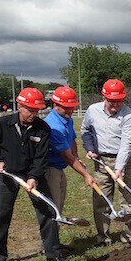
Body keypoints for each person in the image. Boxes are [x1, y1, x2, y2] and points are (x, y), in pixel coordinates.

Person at [0, 88, 63, 261]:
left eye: (37, 110)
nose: (34, 114)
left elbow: (41, 158)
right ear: (19, 106)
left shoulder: (43, 129)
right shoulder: (1, 125)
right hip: (7, 175)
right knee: (2, 215)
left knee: (47, 210)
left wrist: (33, 177)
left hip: (33, 175)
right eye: (30, 110)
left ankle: (53, 252)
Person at [80, 79, 131, 246]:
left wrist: (119, 167)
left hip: (126, 159)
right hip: (101, 159)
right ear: (103, 97)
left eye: (119, 101)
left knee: (127, 197)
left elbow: (127, 144)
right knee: (101, 198)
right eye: (111, 101)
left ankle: (128, 236)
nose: (115, 105)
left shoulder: (129, 116)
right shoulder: (92, 110)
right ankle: (103, 237)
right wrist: (91, 148)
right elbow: (85, 131)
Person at [44, 86, 95, 214]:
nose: (71, 110)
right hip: (50, 169)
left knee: (59, 204)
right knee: (53, 207)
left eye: (72, 107)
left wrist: (76, 156)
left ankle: (55, 230)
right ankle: (52, 232)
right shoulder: (53, 126)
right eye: (67, 107)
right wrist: (86, 175)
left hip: (59, 167)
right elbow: (67, 156)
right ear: (56, 105)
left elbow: (71, 139)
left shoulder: (67, 119)